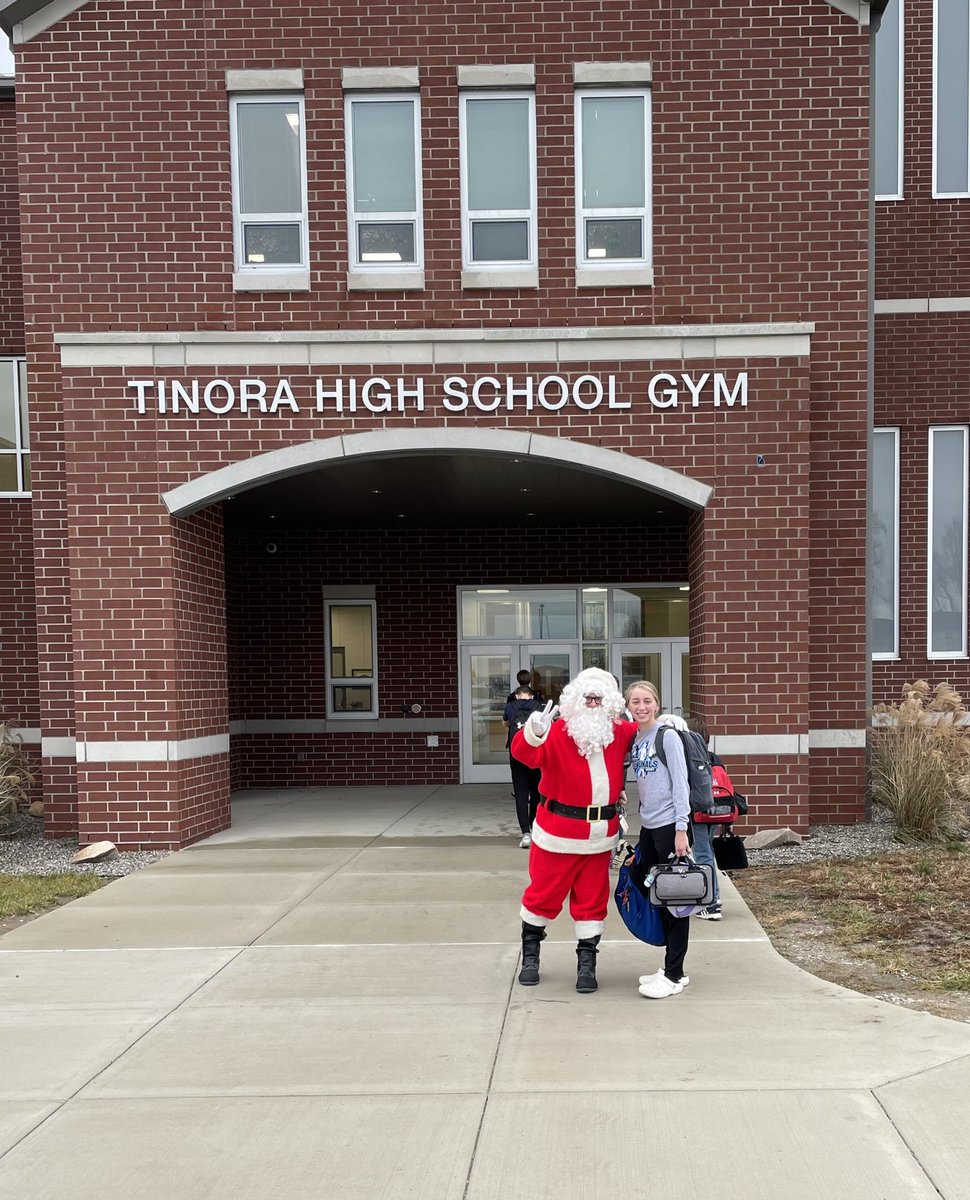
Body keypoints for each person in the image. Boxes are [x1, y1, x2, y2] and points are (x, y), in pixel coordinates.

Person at [510, 666, 636, 993]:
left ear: (609, 703)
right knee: (541, 897)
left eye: (598, 699)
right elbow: (523, 755)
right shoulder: (556, 731)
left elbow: (647, 730)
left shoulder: (619, 732)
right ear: (576, 700)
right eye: (587, 698)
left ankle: (586, 964)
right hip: (556, 835)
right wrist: (533, 731)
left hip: (599, 838)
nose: (592, 704)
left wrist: (672, 726)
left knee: (592, 902)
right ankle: (530, 957)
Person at [625, 681, 692, 998]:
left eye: (647, 701)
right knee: (646, 883)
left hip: (670, 827)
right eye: (635, 701)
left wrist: (681, 829)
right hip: (650, 827)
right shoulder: (639, 737)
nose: (641, 706)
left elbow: (681, 783)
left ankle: (674, 975)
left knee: (675, 902)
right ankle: (672, 966)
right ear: (628, 706)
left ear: (657, 703)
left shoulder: (667, 737)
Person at [686, 715, 722, 920]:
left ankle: (711, 902)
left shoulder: (692, 760)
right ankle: (712, 894)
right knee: (707, 851)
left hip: (699, 813)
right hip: (716, 812)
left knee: (702, 854)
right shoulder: (714, 757)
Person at [503, 685, 543, 848]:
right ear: (531, 696)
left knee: (521, 794)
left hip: (517, 756)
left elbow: (505, 723)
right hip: (536, 756)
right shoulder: (539, 706)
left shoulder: (510, 706)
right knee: (536, 793)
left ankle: (525, 833)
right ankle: (534, 828)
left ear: (517, 696)